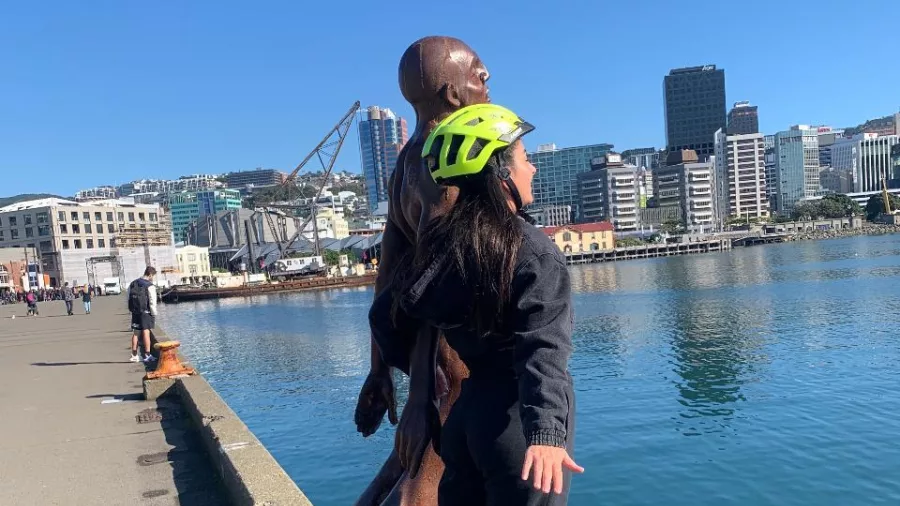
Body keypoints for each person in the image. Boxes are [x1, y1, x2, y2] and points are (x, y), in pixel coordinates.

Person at [370, 104, 582, 505]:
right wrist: (548, 434)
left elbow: (385, 317)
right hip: (517, 421)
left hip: (465, 419)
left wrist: (422, 384)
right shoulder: (533, 252)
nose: (532, 168)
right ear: (500, 174)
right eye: (524, 158)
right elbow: (544, 349)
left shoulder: (438, 248)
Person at [354, 36, 491, 506]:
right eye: (478, 72)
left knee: (403, 466)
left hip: (424, 359)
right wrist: (418, 401)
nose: (487, 80)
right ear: (452, 94)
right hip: (450, 356)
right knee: (422, 481)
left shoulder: (405, 163)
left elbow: (387, 279)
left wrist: (379, 371)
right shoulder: (444, 164)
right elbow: (436, 281)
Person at [127, 266, 158, 363]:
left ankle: (134, 355)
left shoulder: (133, 283)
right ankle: (147, 355)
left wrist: (131, 309)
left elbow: (128, 298)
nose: (152, 278)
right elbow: (152, 301)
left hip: (135, 311)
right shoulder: (150, 285)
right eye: (153, 276)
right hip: (146, 312)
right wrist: (154, 313)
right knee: (146, 332)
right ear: (150, 275)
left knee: (136, 333)